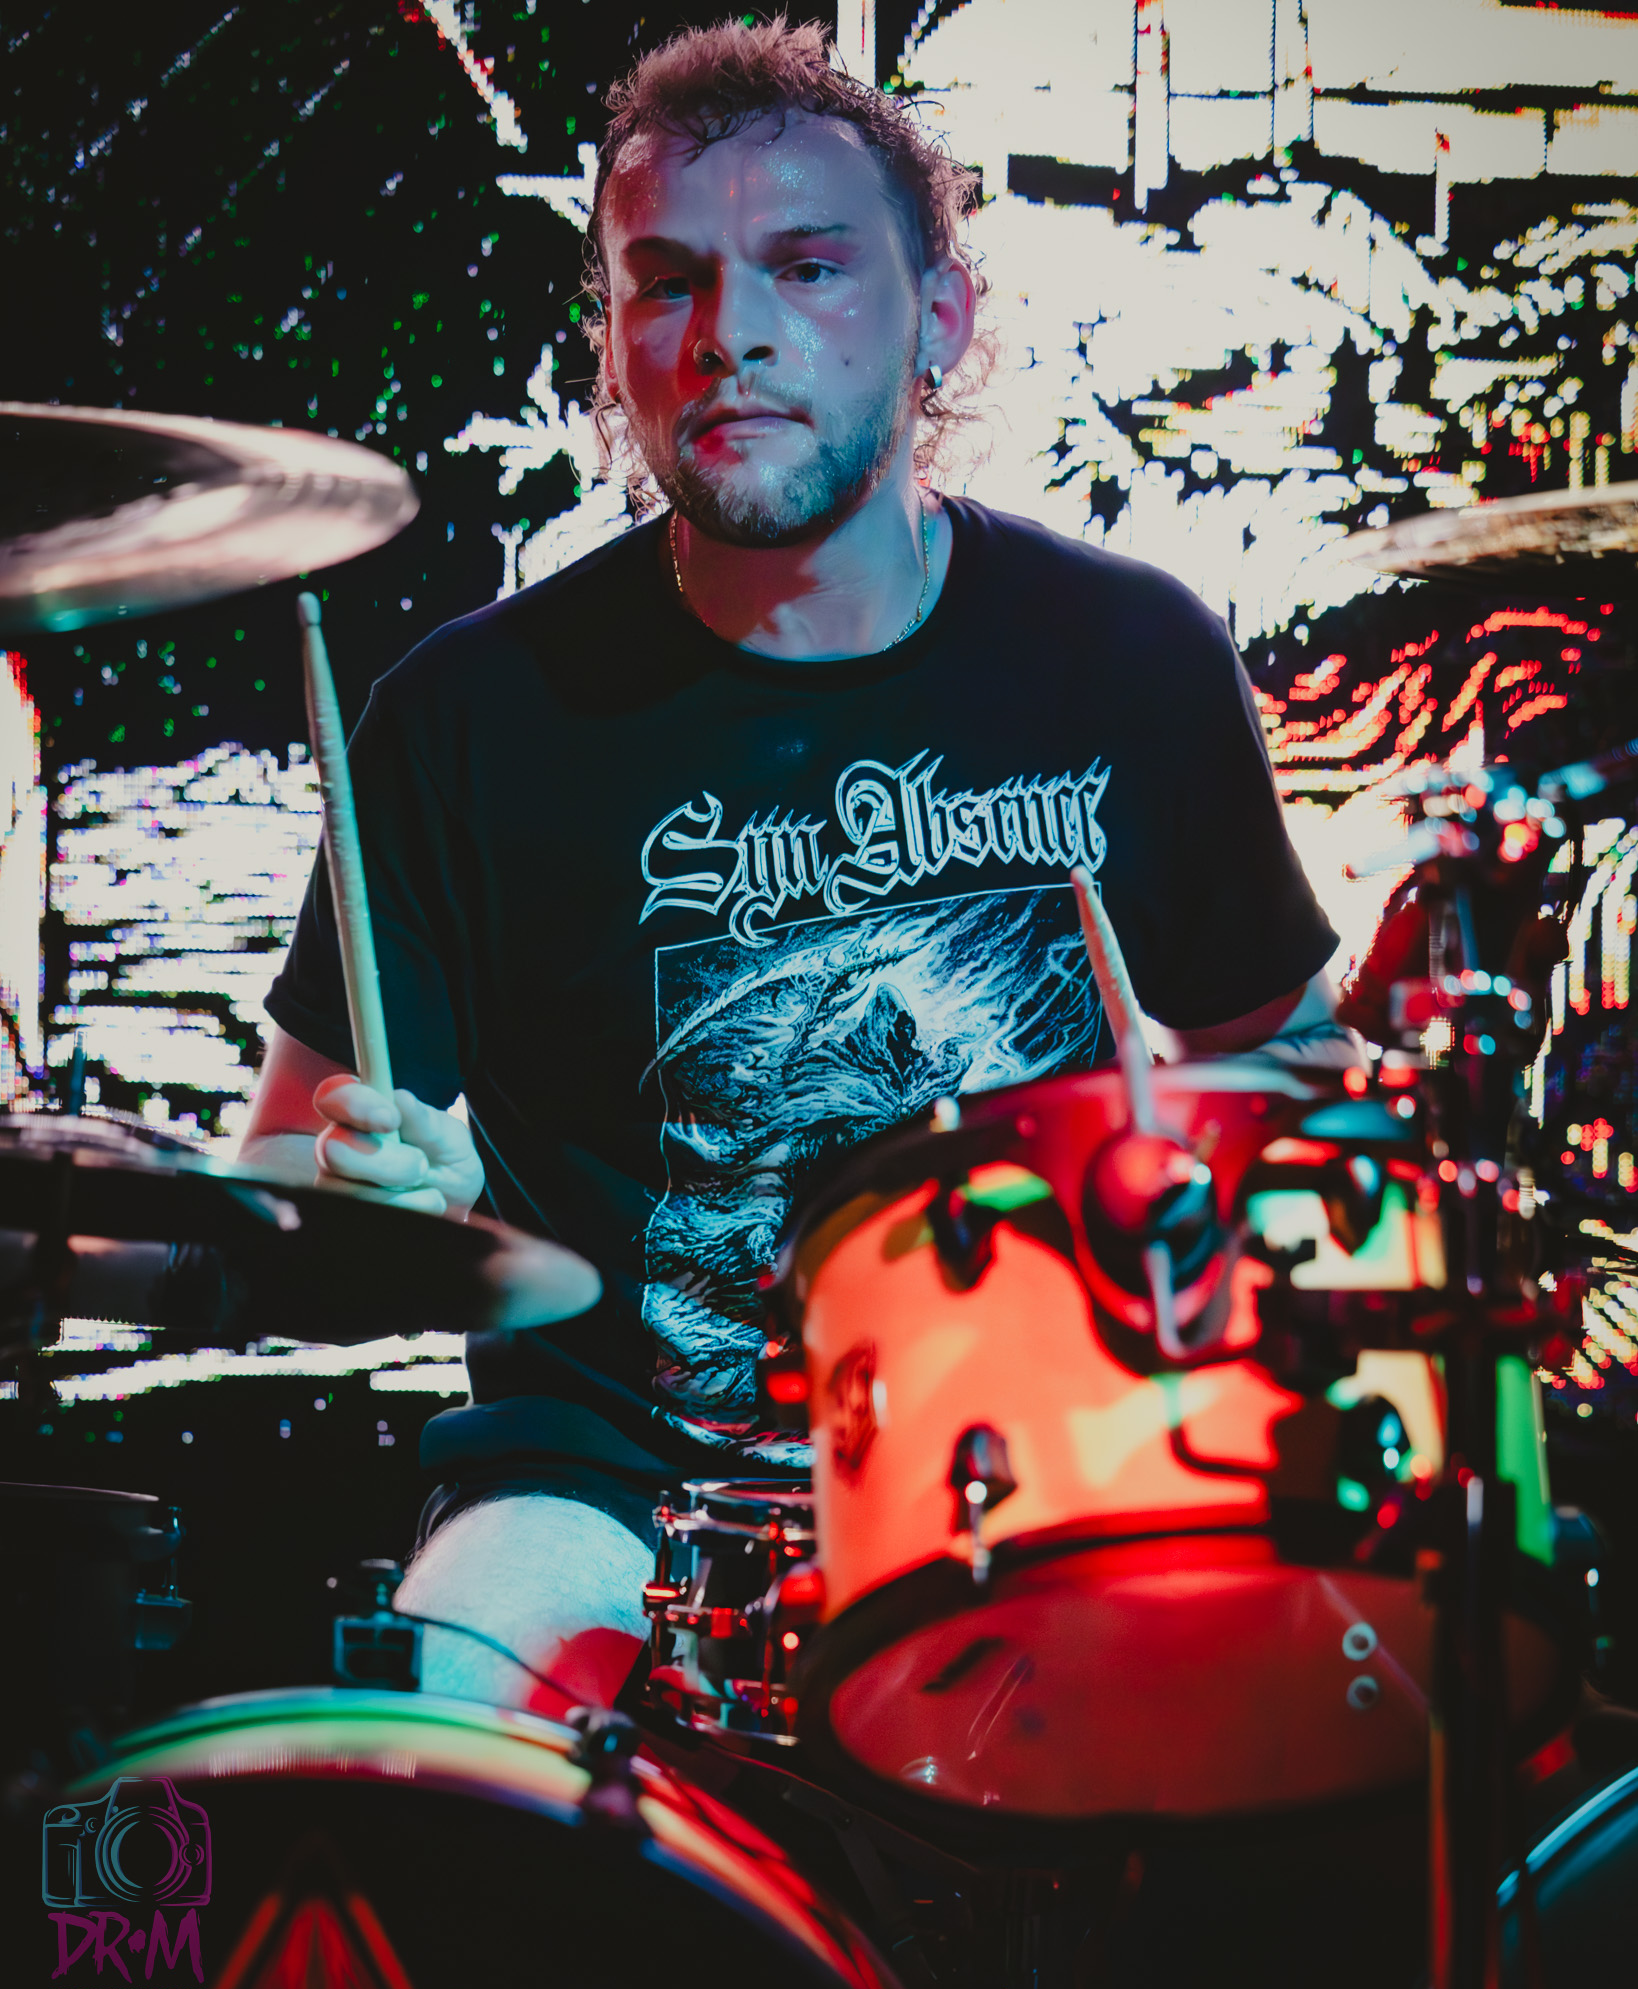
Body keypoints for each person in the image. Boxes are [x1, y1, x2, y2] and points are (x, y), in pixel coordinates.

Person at [241, 17, 1344, 1708]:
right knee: (448, 1729)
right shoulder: (466, 716)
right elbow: (279, 1168)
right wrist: (361, 1202)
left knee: (1335, 1720)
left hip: (1066, 1456)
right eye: (665, 282)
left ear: (937, 317)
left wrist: (1200, 1180)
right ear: (614, 338)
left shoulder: (1129, 657)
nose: (728, 335)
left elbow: (1291, 1065)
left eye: (806, 268)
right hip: (610, 1492)